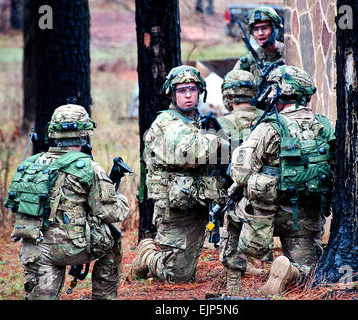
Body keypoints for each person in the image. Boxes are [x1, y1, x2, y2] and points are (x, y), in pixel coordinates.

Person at [4, 102, 130, 300]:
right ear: (84, 133)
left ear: (53, 132)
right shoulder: (89, 167)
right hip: (72, 248)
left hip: (34, 250)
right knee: (113, 238)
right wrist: (121, 199)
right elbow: (112, 213)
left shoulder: (31, 164)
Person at [228, 65, 335, 295]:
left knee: (230, 207)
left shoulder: (269, 127)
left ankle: (234, 275)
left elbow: (240, 172)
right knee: (310, 270)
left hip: (266, 218)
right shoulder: (325, 127)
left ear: (278, 92)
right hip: (307, 218)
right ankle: (292, 272)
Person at [131, 65, 228, 283]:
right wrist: (221, 141)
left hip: (205, 200)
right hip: (177, 208)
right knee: (177, 276)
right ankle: (147, 256)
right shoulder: (165, 124)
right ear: (172, 93)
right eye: (182, 90)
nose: (188, 95)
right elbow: (190, 152)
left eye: (192, 89)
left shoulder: (202, 121)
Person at [216, 69, 267, 293]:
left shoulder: (221, 124)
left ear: (228, 97)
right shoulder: (268, 119)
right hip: (268, 194)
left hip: (236, 196)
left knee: (232, 223)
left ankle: (233, 279)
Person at [232, 6, 285, 86]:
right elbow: (230, 87)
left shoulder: (290, 55)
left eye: (264, 28)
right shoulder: (248, 62)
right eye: (256, 29)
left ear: (275, 29)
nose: (260, 33)